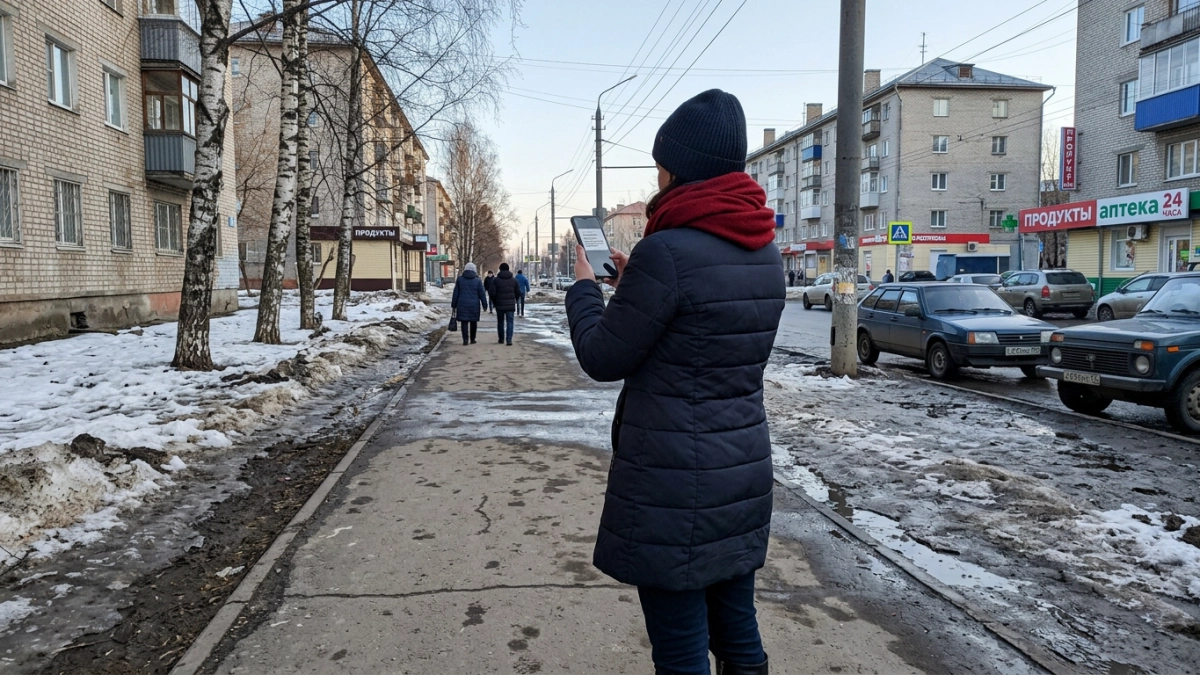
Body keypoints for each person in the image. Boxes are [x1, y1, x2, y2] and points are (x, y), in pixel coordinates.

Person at [565, 89, 782, 675]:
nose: (657, 175)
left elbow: (601, 356)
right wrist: (635, 286)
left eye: (661, 163)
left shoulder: (666, 251)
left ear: (681, 167)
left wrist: (584, 289)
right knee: (738, 632)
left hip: (673, 481)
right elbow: (703, 331)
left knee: (682, 648)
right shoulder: (764, 250)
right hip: (741, 471)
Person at [450, 263, 487, 345]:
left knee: (464, 322)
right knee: (473, 322)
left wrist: (454, 305)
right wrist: (485, 305)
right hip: (474, 305)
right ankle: (472, 339)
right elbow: (482, 293)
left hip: (462, 304)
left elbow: (456, 293)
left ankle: (465, 340)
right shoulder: (478, 280)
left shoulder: (460, 279)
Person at [489, 263, 522, 345]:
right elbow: (518, 293)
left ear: (500, 269)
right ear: (508, 269)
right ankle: (509, 340)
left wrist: (495, 303)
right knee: (510, 322)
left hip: (499, 304)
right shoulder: (514, 280)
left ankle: (501, 339)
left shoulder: (496, 280)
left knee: (500, 322)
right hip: (510, 305)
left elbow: (492, 293)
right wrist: (515, 300)